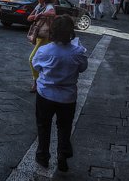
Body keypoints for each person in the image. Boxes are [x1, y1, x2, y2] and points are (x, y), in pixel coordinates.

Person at [32, 15, 89, 172]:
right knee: (64, 127)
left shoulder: (44, 51)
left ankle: (43, 156)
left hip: (45, 95)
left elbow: (37, 67)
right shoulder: (78, 52)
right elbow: (83, 68)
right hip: (68, 97)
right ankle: (62, 155)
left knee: (43, 126)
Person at [27, 0, 57, 91]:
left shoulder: (48, 6)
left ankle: (36, 82)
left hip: (46, 36)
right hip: (39, 35)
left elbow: (52, 13)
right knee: (42, 61)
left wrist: (41, 14)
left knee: (32, 59)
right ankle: (41, 81)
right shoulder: (39, 6)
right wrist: (34, 16)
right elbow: (29, 17)